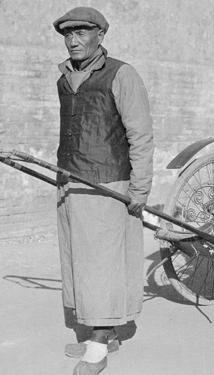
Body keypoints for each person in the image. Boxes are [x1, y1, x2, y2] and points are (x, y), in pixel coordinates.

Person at [53, 6, 154, 375]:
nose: (73, 40)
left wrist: (139, 190)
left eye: (82, 33)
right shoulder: (64, 79)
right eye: (68, 34)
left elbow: (140, 134)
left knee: (101, 266)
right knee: (78, 263)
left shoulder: (122, 74)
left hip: (108, 183)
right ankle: (102, 331)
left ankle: (99, 346)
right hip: (69, 180)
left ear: (100, 36)